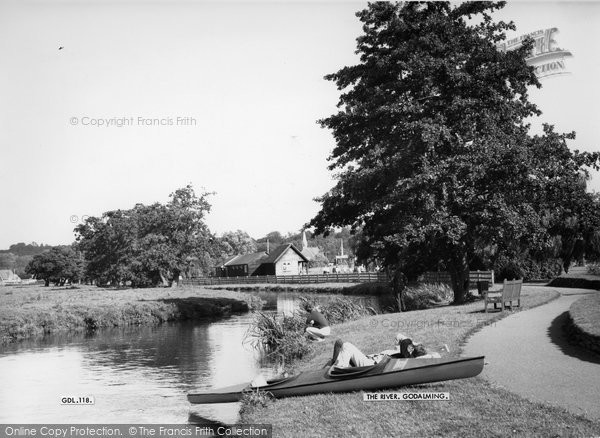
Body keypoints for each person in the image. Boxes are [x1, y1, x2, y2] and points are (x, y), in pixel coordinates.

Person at [329, 333, 441, 368]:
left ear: (412, 349)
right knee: (340, 342)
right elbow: (399, 337)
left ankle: (338, 370)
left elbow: (403, 339)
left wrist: (413, 343)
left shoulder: (407, 355)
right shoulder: (400, 352)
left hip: (370, 365)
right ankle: (330, 368)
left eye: (414, 345)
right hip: (367, 359)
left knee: (347, 345)